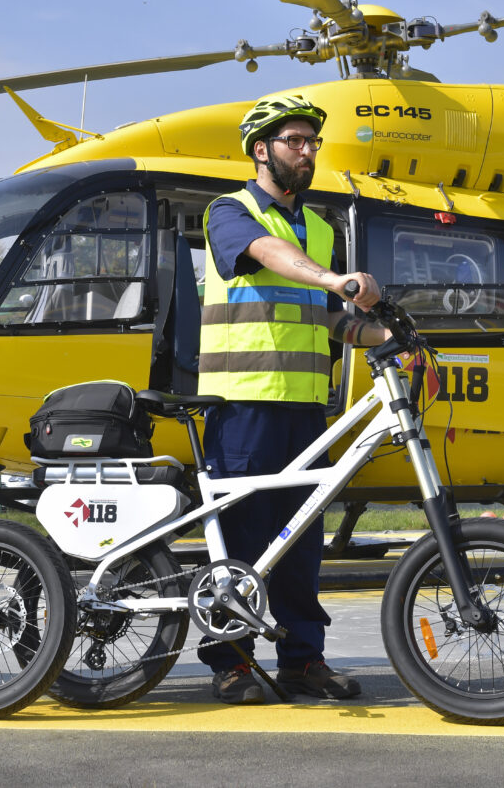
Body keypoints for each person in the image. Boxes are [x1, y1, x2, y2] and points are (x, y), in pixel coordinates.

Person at [197, 95, 389, 705]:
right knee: (242, 539)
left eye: (312, 143)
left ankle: (303, 661)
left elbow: (329, 319)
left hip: (307, 407)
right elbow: (265, 255)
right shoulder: (230, 211)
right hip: (244, 400)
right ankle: (230, 662)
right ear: (262, 150)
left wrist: (383, 333)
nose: (307, 152)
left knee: (301, 541)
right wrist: (335, 278)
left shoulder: (323, 229)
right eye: (295, 142)